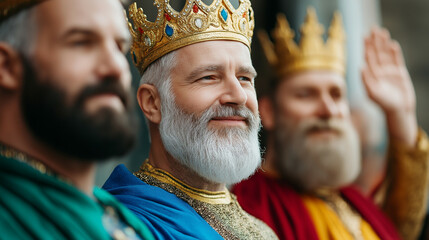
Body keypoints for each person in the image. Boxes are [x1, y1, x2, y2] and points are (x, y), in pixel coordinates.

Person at [232, 8, 429, 240]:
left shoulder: (350, 200)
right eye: (306, 95)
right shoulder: (248, 205)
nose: (328, 110)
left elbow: (398, 229)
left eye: (336, 95)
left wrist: (401, 115)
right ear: (268, 111)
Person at [102, 0, 278, 239]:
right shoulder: (120, 225)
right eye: (208, 77)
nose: (238, 95)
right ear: (152, 102)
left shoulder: (264, 232)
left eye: (245, 78)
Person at [0, 0, 155, 239]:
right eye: (82, 42)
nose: (116, 67)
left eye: (119, 47)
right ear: (7, 66)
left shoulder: (124, 221)